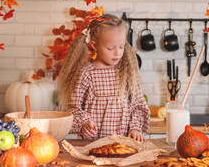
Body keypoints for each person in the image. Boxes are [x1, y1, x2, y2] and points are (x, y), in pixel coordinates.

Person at [58, 14, 150, 142]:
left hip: (124, 146)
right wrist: (84, 124)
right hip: (92, 146)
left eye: (121, 46)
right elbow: (73, 109)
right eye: (110, 48)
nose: (117, 52)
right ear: (95, 46)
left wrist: (135, 129)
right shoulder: (86, 74)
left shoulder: (126, 73)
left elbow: (138, 106)